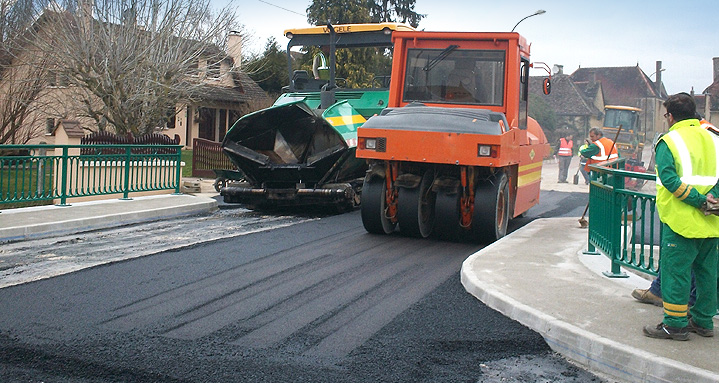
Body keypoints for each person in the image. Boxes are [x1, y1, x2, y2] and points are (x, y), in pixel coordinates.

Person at [642, 92, 719, 341]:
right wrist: (713, 200)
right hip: (712, 220)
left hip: (681, 221)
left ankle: (674, 325)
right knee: (707, 274)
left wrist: (698, 201)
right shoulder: (713, 138)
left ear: (670, 116)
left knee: (677, 274)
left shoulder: (669, 141)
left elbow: (669, 179)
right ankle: (704, 322)